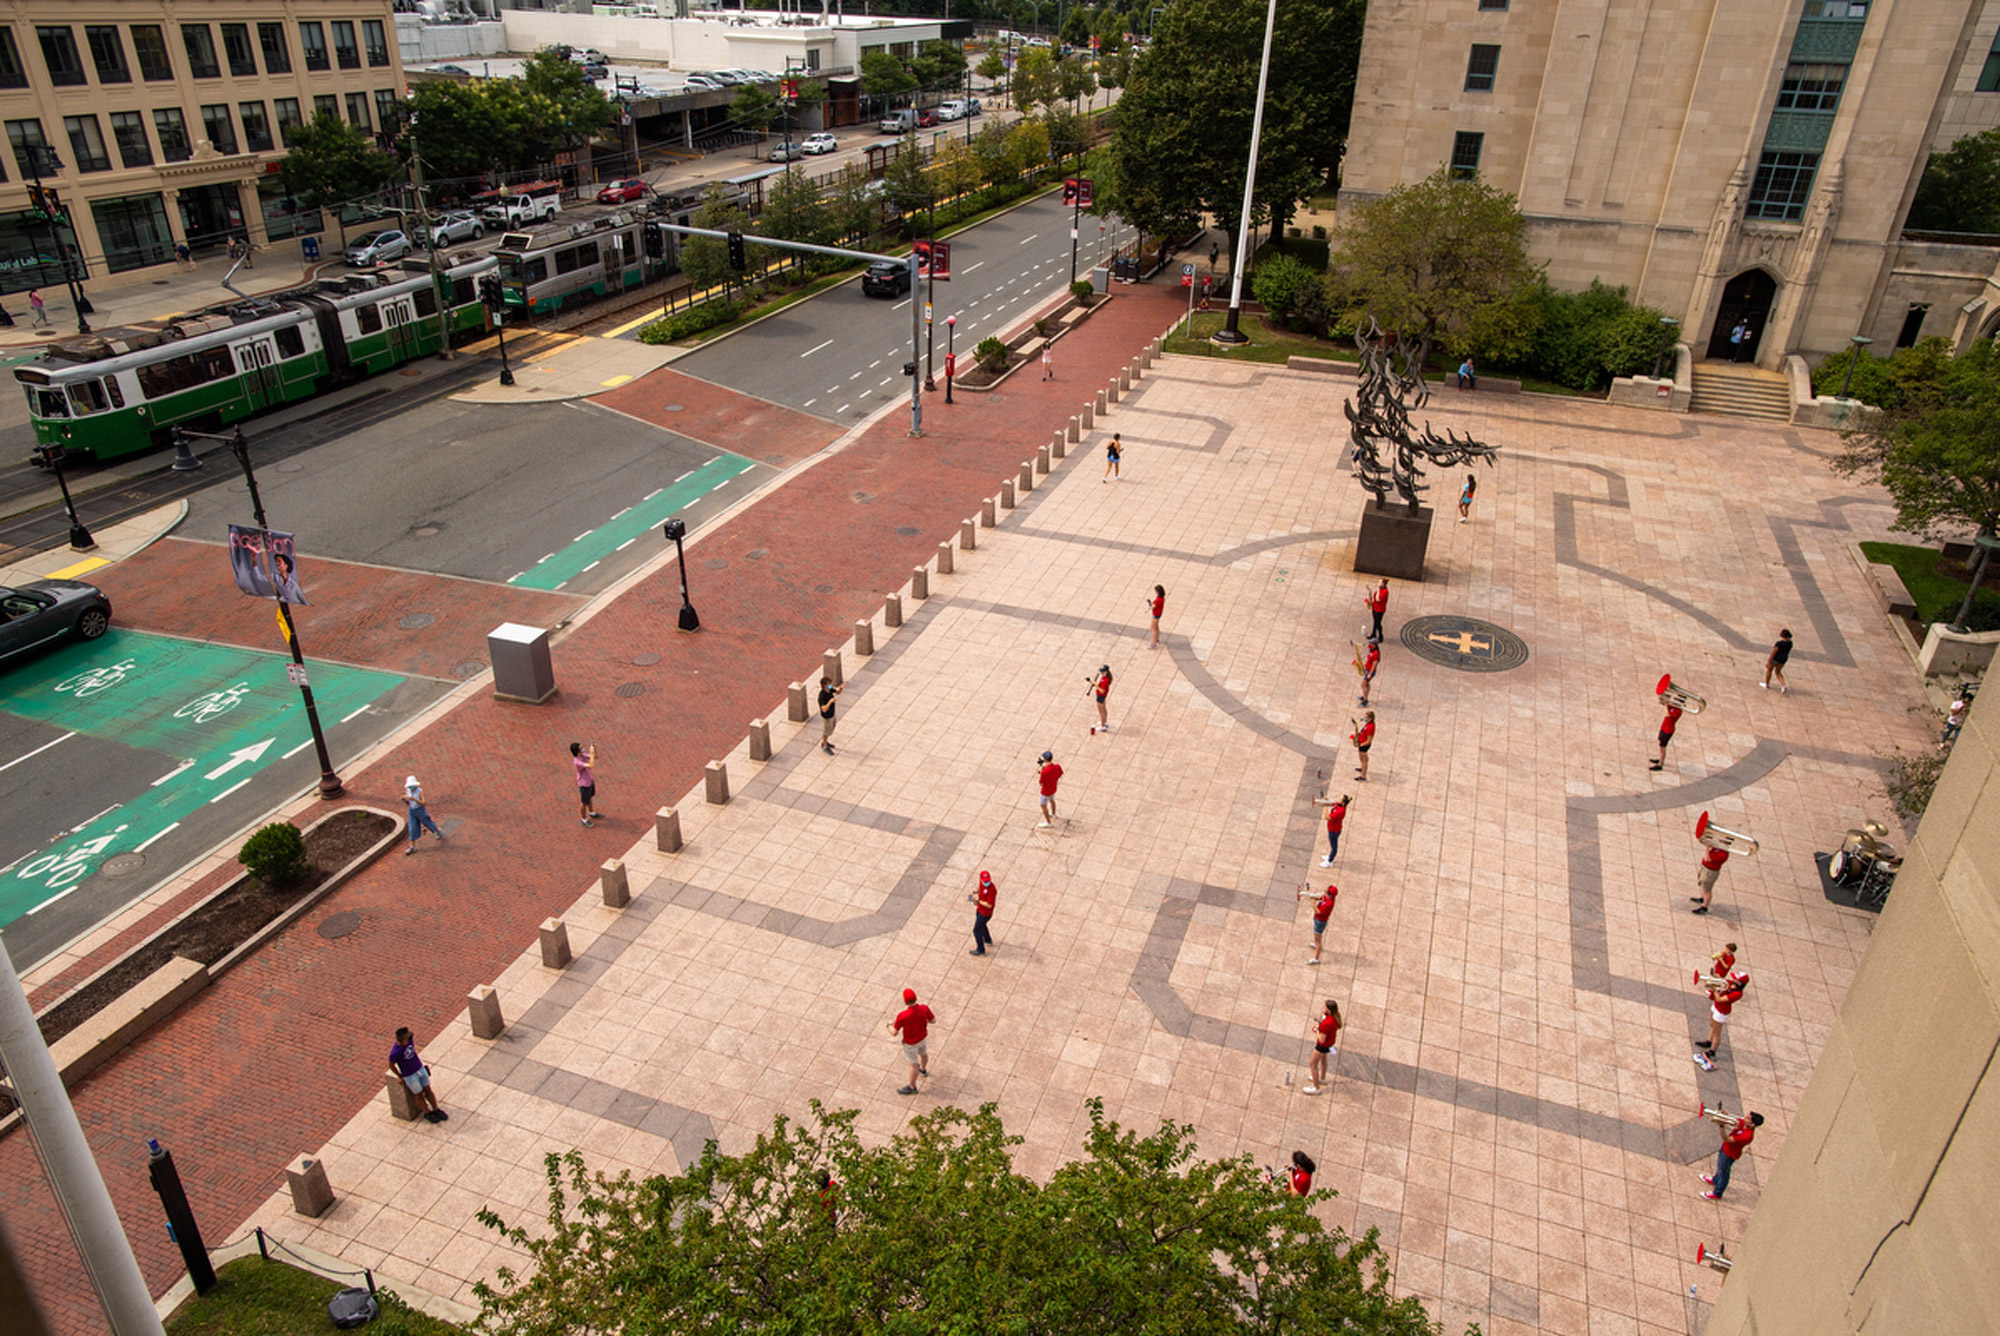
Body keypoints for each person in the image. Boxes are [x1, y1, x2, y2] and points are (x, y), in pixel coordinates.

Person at [389, 1027, 447, 1122]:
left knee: (428, 1089)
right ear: (403, 1040)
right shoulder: (395, 1052)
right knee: (418, 1094)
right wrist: (400, 1076)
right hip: (409, 1075)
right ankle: (427, 1112)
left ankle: (436, 1109)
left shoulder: (410, 1038)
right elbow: (391, 1065)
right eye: (407, 1038)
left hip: (419, 1068)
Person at [1702, 1111, 1763, 1199]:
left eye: (1748, 1119)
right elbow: (1732, 1120)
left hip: (1729, 1154)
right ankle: (1715, 1180)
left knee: (1724, 1173)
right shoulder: (1743, 1123)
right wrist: (1722, 1115)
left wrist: (1721, 1126)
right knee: (1720, 1167)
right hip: (1725, 1148)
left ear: (1753, 1125)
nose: (1745, 1118)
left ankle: (1717, 1193)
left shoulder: (1747, 1136)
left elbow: (1726, 1138)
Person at [890, 987, 934, 1094]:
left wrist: (889, 1025)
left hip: (910, 1043)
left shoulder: (903, 1016)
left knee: (913, 1064)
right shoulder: (924, 1008)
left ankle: (912, 1087)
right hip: (922, 1037)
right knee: (923, 1054)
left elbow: (894, 1032)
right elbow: (933, 1020)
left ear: (905, 1001)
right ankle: (923, 1070)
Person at [1697, 970, 1748, 1057]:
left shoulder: (1737, 993)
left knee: (1717, 1033)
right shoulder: (1730, 983)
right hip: (1716, 1006)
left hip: (1722, 1011)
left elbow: (1720, 999)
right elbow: (1721, 980)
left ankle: (1712, 1051)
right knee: (1712, 1025)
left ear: (1740, 983)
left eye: (1736, 979)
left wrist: (1714, 989)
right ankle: (1709, 1041)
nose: (1733, 979)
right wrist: (1715, 977)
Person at [1305, 1000, 1340, 1093]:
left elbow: (1321, 1039)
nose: (1323, 1008)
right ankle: (1322, 1078)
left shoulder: (1326, 1024)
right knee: (1323, 1059)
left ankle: (1316, 1088)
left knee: (1313, 1064)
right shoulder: (1335, 1018)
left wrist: (1317, 1029)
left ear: (1329, 1009)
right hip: (1330, 1043)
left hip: (1322, 1046)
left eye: (1325, 1007)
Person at [403, 775, 444, 854]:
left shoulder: (419, 791)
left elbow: (423, 802)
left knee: (427, 823)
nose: (411, 787)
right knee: (412, 828)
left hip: (420, 810)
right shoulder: (408, 791)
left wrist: (414, 799)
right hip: (412, 811)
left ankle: (437, 830)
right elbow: (409, 803)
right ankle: (412, 846)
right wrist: (405, 800)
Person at [1651, 691, 1684, 772]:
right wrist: (1664, 697)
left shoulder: (1678, 711)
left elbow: (1668, 715)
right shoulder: (1673, 706)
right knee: (1660, 744)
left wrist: (1666, 706)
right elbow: (1661, 702)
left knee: (1663, 746)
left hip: (1668, 730)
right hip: (1664, 727)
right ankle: (1660, 759)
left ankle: (1660, 764)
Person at [570, 742, 601, 826]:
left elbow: (595, 757)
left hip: (589, 780)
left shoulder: (583, 755)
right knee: (584, 802)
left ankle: (592, 812)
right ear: (577, 751)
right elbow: (591, 765)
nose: (583, 749)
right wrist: (591, 752)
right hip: (584, 784)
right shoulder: (577, 762)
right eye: (581, 748)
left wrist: (594, 750)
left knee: (590, 797)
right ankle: (584, 819)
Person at [1305, 883, 1336, 963]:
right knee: (1317, 937)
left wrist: (1313, 903)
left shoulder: (1329, 904)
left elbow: (1318, 911)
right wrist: (1315, 897)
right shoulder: (1329, 899)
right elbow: (1322, 898)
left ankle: (1316, 958)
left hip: (1320, 922)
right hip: (1318, 920)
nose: (1325, 893)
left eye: (1327, 892)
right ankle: (1316, 945)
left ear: (1330, 895)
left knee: (1318, 939)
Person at [968, 870, 997, 955]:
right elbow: (980, 889)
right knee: (982, 925)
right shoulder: (982, 884)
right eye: (985, 881)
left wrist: (978, 901)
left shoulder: (992, 890)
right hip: (980, 909)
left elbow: (989, 905)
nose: (986, 882)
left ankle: (981, 949)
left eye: (988, 881)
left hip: (985, 913)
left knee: (976, 931)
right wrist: (976, 892)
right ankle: (987, 939)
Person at [1693, 844, 1728, 914]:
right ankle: (1703, 899)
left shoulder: (1723, 854)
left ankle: (1704, 907)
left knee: (1707, 890)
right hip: (1706, 868)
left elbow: (1707, 859)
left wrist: (1707, 848)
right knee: (1703, 885)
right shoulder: (1719, 848)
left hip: (1710, 872)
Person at [1318, 794, 1349, 867]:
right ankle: (1330, 856)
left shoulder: (1340, 811)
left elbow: (1327, 817)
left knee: (1334, 846)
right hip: (1332, 829)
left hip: (1334, 831)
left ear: (1343, 802)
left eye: (1340, 799)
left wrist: (1324, 805)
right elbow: (1332, 803)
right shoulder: (1339, 805)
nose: (1338, 799)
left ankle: (1330, 861)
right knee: (1332, 844)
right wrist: (1325, 801)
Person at [1035, 750, 1063, 827]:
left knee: (1043, 806)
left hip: (1045, 792)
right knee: (1052, 800)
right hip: (1053, 788)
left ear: (1045, 759)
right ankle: (1053, 814)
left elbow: (1041, 783)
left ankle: (1048, 823)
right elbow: (1060, 774)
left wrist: (1042, 773)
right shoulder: (1057, 766)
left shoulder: (1045, 771)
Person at [818, 675, 844, 755]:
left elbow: (837, 692)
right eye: (829, 684)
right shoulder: (822, 695)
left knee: (830, 729)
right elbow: (824, 709)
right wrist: (830, 701)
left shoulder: (829, 689)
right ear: (824, 685)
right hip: (826, 717)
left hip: (832, 714)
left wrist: (841, 688)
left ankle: (826, 741)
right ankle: (824, 744)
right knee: (826, 731)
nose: (830, 685)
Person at [1351, 711, 1375, 782]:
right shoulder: (1368, 724)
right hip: (1362, 742)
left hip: (1364, 745)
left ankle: (1363, 776)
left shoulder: (1370, 727)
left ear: (1370, 718)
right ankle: (1363, 768)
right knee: (1363, 759)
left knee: (1363, 761)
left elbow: (1369, 740)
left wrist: (1361, 744)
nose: (1364, 718)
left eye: (1366, 717)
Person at [1090, 664, 1113, 732]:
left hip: (1100, 696)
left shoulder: (1105, 680)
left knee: (1101, 712)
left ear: (1106, 672)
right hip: (1103, 696)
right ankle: (1104, 722)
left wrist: (1096, 685)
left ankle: (1102, 726)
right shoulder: (1105, 678)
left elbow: (1102, 691)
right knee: (1104, 709)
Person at [1358, 641, 1379, 708]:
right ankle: (1365, 695)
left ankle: (1365, 700)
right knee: (1366, 684)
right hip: (1367, 669)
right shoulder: (1371, 651)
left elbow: (1374, 664)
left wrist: (1370, 673)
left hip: (1369, 671)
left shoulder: (1376, 653)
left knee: (1363, 685)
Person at [1148, 585, 1165, 649]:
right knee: (1156, 627)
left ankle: (1154, 643)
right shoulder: (1162, 598)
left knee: (1153, 628)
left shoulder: (1158, 599)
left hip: (1155, 614)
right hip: (1159, 614)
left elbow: (1153, 607)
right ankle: (1157, 639)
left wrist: (1150, 604)